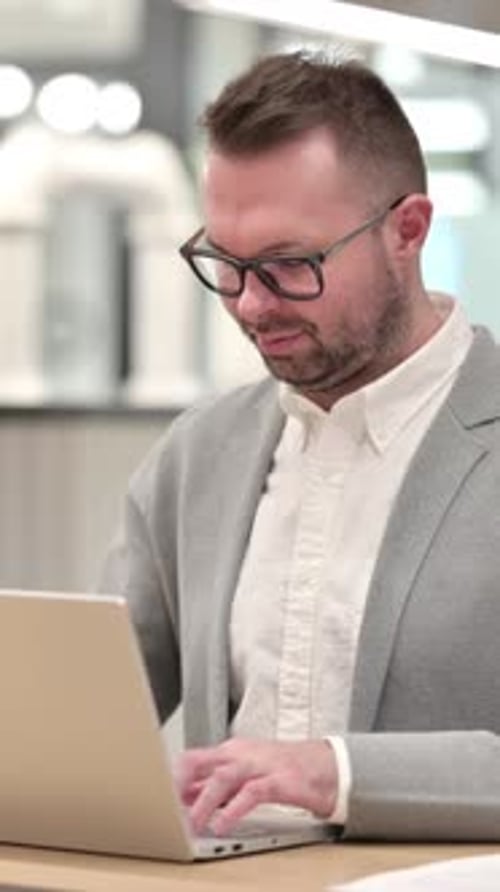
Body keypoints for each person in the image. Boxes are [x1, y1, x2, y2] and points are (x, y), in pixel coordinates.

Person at [99, 50, 500, 842]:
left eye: (288, 265)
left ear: (407, 231)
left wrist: (337, 773)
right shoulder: (199, 456)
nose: (251, 304)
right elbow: (87, 720)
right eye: (225, 262)